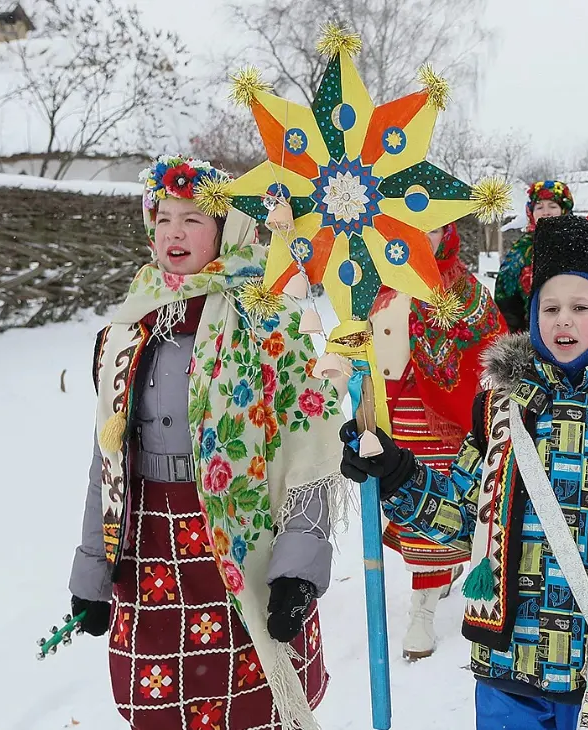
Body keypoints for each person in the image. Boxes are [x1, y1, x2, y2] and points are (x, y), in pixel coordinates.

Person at [341, 215, 588, 730]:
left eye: (580, 307)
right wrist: (397, 475)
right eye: (549, 308)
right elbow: (462, 516)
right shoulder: (500, 412)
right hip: (509, 666)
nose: (561, 321)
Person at [68, 155, 347, 730]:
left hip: (238, 543)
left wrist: (298, 567)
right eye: (164, 216)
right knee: (161, 705)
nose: (174, 231)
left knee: (250, 705)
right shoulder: (129, 325)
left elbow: (308, 451)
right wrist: (92, 574)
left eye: (193, 218)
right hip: (148, 545)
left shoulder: (270, 319)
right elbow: (108, 456)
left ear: (225, 229)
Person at [369, 221, 507, 660]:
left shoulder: (465, 290)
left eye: (427, 229)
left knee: (438, 501)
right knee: (406, 500)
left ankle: (422, 609)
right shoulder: (377, 283)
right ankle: (435, 578)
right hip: (393, 411)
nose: (418, 238)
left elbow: (493, 346)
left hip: (447, 414)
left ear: (443, 232)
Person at [495, 180, 573, 333]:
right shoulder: (522, 249)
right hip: (530, 335)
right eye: (539, 207)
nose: (546, 212)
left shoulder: (577, 244)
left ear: (564, 210)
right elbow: (505, 298)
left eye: (552, 206)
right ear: (531, 212)